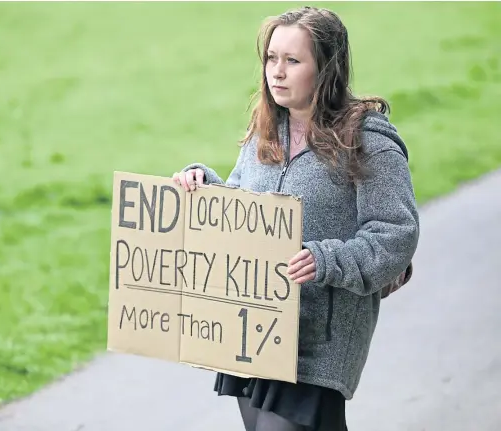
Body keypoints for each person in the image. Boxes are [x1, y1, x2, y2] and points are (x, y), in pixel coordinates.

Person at [172, 5, 419, 431]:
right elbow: (245, 210)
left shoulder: (367, 140)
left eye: (292, 60)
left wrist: (325, 259)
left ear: (326, 68)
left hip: (318, 342)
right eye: (271, 58)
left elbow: (396, 234)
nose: (277, 72)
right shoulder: (264, 132)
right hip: (255, 328)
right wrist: (204, 187)